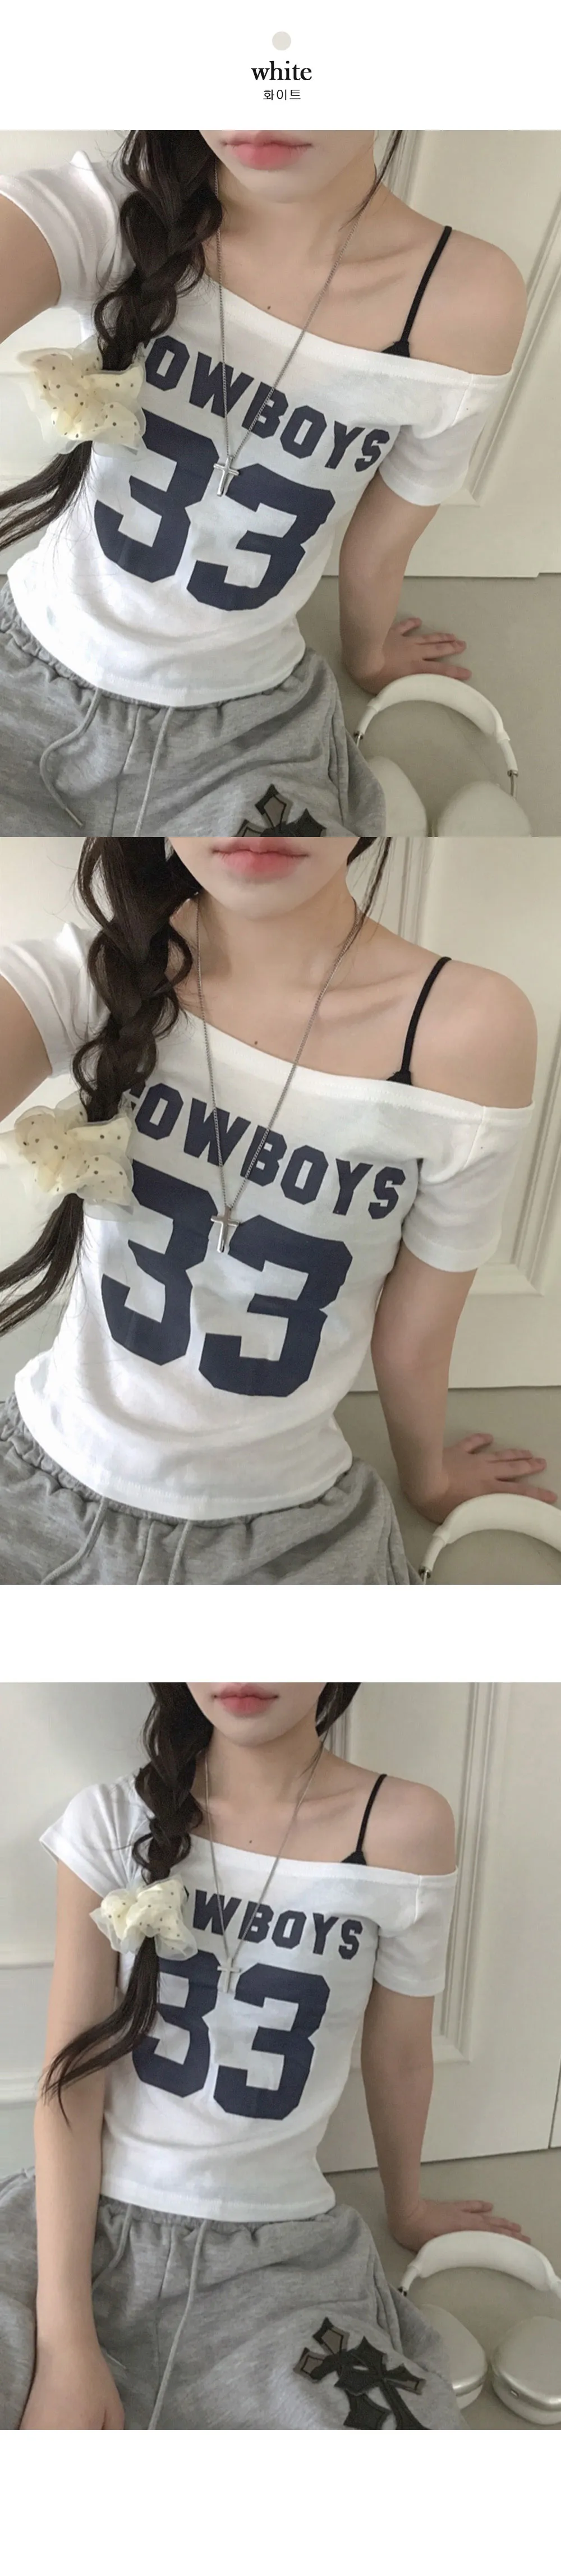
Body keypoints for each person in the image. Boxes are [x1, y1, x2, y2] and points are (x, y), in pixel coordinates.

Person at [0, 838, 552, 1586]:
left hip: (290, 1531)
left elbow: (415, 1330)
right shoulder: (101, 973)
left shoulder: (465, 1030)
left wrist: (428, 1481)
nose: (260, 809)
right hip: (39, 1482)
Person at [0, 1680, 528, 2432]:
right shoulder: (111, 1819)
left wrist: (407, 2207)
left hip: (279, 2258)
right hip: (78, 2229)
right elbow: (72, 2082)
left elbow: (400, 2050)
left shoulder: (404, 1827)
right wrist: (65, 2346)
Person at [0, 130, 526, 832]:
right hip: (26, 671)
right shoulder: (115, 214)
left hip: (243, 724)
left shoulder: (464, 302)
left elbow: (386, 533)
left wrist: (370, 659)